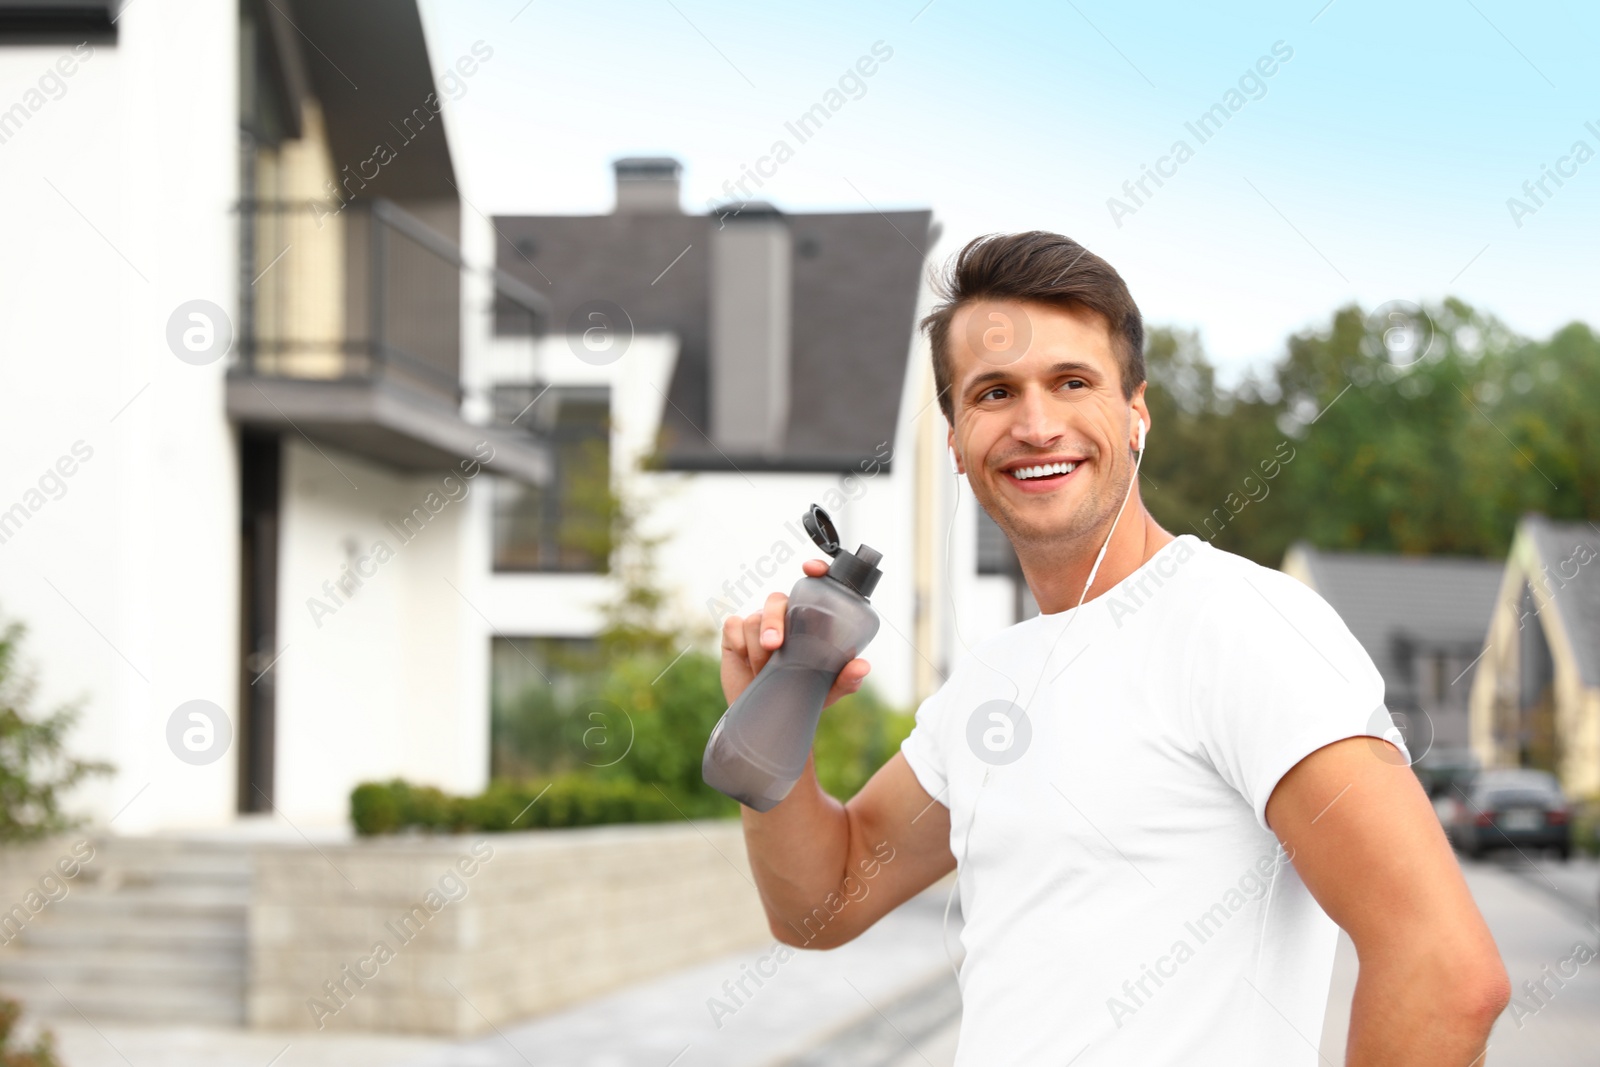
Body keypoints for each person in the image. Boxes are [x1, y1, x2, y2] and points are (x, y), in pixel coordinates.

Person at [720, 231, 1509, 1065]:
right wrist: (771, 722)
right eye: (993, 393)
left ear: (1136, 413)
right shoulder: (990, 683)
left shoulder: (1243, 626)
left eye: (1072, 381)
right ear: (955, 439)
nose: (1035, 424)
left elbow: (1447, 971)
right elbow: (823, 902)